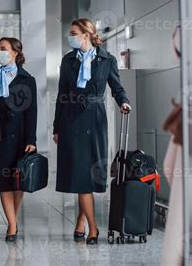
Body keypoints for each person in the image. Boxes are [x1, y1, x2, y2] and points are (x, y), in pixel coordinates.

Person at [53, 18, 131, 245]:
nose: (71, 36)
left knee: (89, 175)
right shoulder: (67, 60)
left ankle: (80, 222)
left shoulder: (107, 59)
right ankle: (93, 229)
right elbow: (60, 96)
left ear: (86, 34)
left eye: (73, 32)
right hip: (71, 120)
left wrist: (123, 102)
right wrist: (57, 126)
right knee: (81, 175)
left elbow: (117, 87)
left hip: (95, 120)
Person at [0, 37, 37, 242]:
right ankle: (12, 225)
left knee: (18, 182)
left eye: (3, 49)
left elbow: (32, 111)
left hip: (21, 137)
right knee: (3, 181)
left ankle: (13, 220)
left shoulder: (27, 79)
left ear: (15, 52)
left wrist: (31, 139)